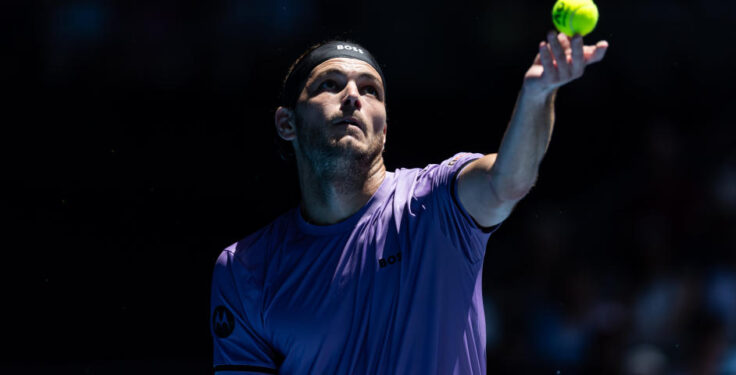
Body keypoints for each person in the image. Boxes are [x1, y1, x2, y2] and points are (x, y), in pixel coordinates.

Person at [210, 33, 608, 374]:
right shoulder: (245, 267)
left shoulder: (436, 204)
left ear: (383, 127)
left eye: (371, 90)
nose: (353, 96)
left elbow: (508, 180)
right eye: (329, 84)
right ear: (287, 123)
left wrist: (537, 97)